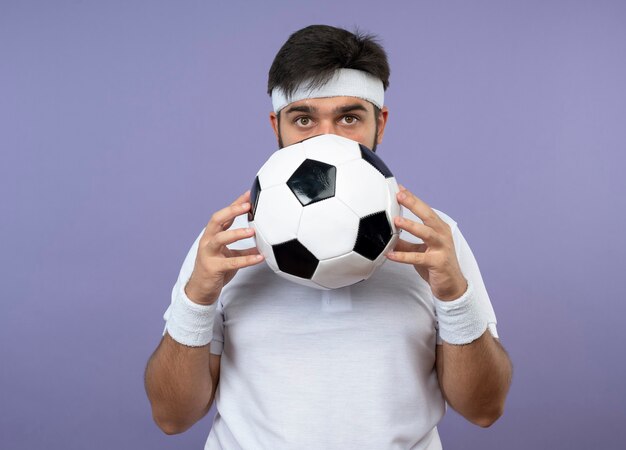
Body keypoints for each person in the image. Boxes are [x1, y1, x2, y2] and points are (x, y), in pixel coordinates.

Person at [144, 24, 513, 450]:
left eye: (349, 118)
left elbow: (484, 410)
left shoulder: (433, 242)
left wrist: (455, 297)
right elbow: (172, 418)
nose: (326, 140)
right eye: (303, 119)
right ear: (275, 126)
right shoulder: (226, 244)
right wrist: (196, 301)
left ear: (381, 123)